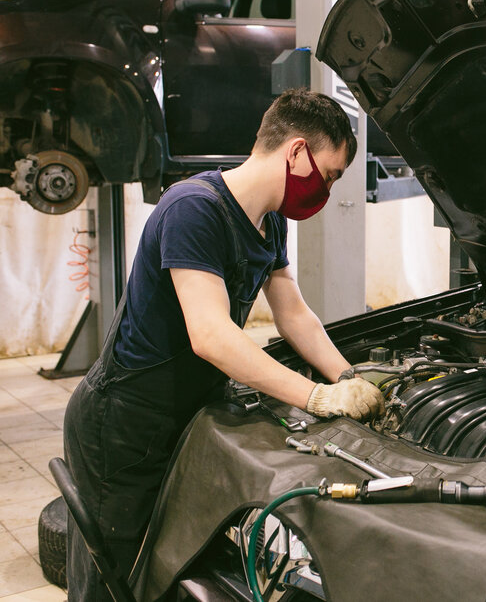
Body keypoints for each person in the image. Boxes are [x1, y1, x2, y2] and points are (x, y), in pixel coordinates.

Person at [62, 89, 384, 601]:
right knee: (113, 578)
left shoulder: (269, 218)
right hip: (125, 423)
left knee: (173, 562)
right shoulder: (194, 209)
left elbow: (293, 312)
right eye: (330, 174)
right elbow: (210, 334)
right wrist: (314, 397)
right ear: (297, 152)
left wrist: (348, 379)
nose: (326, 189)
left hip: (186, 412)